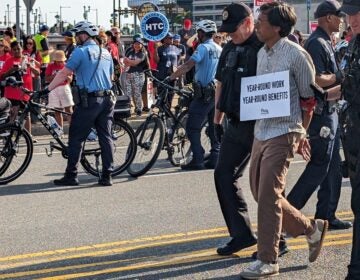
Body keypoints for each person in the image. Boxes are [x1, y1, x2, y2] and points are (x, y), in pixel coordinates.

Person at [240, 3, 328, 279]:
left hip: (284, 131)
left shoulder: (296, 55)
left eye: (261, 21)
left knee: (268, 195)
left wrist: (301, 132)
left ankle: (268, 259)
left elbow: (309, 99)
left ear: (277, 27)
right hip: (261, 130)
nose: (256, 25)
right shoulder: (261, 53)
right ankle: (311, 229)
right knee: (262, 193)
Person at [287, 0, 352, 231]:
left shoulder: (325, 40)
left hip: (330, 112)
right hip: (322, 113)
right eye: (338, 15)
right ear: (327, 18)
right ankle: (287, 215)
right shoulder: (317, 43)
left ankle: (326, 216)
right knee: (319, 166)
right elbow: (314, 79)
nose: (342, 19)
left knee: (332, 168)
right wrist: (342, 77)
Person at [212, 2, 262, 256]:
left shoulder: (264, 46)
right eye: (227, 30)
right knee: (223, 174)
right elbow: (221, 83)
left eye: (234, 29)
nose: (230, 34)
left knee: (265, 185)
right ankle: (241, 235)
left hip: (261, 125)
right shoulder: (229, 48)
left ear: (248, 23)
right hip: (235, 123)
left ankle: (277, 240)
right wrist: (216, 120)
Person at [43, 21, 115, 187]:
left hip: (90, 100)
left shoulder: (80, 52)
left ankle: (72, 175)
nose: (76, 38)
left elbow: (63, 73)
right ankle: (107, 176)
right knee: (106, 136)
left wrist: (47, 90)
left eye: (77, 35)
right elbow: (111, 77)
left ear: (84, 35)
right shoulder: (105, 52)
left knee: (76, 137)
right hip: (107, 99)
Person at [169, 20, 221, 170]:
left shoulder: (203, 48)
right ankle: (215, 158)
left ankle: (197, 158)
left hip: (204, 94)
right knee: (213, 127)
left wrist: (171, 77)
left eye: (198, 32)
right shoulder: (219, 48)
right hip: (216, 93)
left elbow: (187, 65)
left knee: (192, 127)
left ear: (201, 33)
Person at [339, 2, 360, 279]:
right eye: (348, 13)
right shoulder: (353, 44)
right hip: (354, 136)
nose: (350, 18)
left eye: (356, 12)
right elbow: (348, 85)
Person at [0, 41, 39, 136]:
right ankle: (9, 138)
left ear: (22, 48)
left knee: (27, 115)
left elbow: (37, 74)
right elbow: (2, 76)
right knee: (12, 114)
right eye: (14, 49)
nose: (17, 51)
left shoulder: (28, 59)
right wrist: (11, 70)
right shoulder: (9, 61)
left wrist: (31, 66)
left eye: (18, 48)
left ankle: (29, 135)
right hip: (12, 93)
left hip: (25, 93)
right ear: (12, 51)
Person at [45, 50, 74, 130]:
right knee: (57, 111)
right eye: (58, 61)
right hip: (54, 88)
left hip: (64, 87)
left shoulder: (67, 66)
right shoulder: (50, 66)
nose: (59, 63)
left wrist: (67, 77)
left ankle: (73, 130)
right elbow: (47, 79)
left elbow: (70, 80)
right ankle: (59, 131)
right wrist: (55, 76)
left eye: (61, 61)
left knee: (69, 110)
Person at [123, 34, 148, 116]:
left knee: (137, 93)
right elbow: (124, 62)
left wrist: (128, 61)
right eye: (135, 43)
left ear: (142, 44)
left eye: (139, 43)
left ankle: (139, 109)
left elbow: (135, 63)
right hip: (128, 74)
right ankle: (128, 109)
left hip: (139, 75)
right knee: (128, 93)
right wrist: (129, 62)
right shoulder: (130, 51)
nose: (137, 45)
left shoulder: (143, 53)